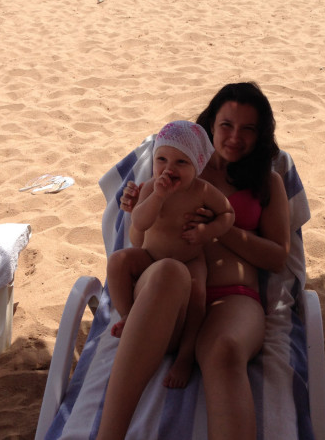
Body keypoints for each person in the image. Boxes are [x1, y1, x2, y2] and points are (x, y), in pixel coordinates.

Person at [96, 82, 290, 440]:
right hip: (169, 299)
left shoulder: (268, 182)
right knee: (170, 271)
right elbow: (139, 241)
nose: (235, 137)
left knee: (224, 351)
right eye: (226, 125)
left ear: (261, 135)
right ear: (210, 124)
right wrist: (137, 208)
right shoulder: (179, 165)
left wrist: (219, 229)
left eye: (248, 129)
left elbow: (278, 258)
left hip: (232, 299)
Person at [107, 120, 235, 389]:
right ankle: (129, 316)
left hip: (190, 261)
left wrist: (207, 231)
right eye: (161, 159)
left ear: (197, 166)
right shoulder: (151, 188)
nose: (169, 168)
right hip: (150, 257)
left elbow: (227, 213)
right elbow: (139, 223)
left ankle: (186, 355)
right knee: (118, 261)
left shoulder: (203, 191)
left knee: (198, 294)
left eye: (181, 162)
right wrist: (157, 197)